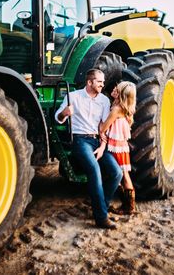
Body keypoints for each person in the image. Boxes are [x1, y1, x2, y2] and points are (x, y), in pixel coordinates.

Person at [55, 69, 123, 229]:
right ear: (90, 82)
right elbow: (58, 118)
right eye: (99, 82)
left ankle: (102, 208)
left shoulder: (104, 101)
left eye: (103, 82)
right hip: (80, 140)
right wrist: (64, 113)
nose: (103, 84)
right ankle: (101, 218)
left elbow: (103, 127)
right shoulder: (74, 97)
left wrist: (102, 147)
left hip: (98, 141)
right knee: (94, 169)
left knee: (116, 173)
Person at [95, 81, 137, 215]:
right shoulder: (124, 108)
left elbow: (103, 128)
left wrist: (97, 122)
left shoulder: (116, 109)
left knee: (123, 175)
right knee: (124, 174)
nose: (113, 88)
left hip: (115, 146)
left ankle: (128, 206)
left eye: (116, 89)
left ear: (121, 95)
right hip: (121, 145)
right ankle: (128, 205)